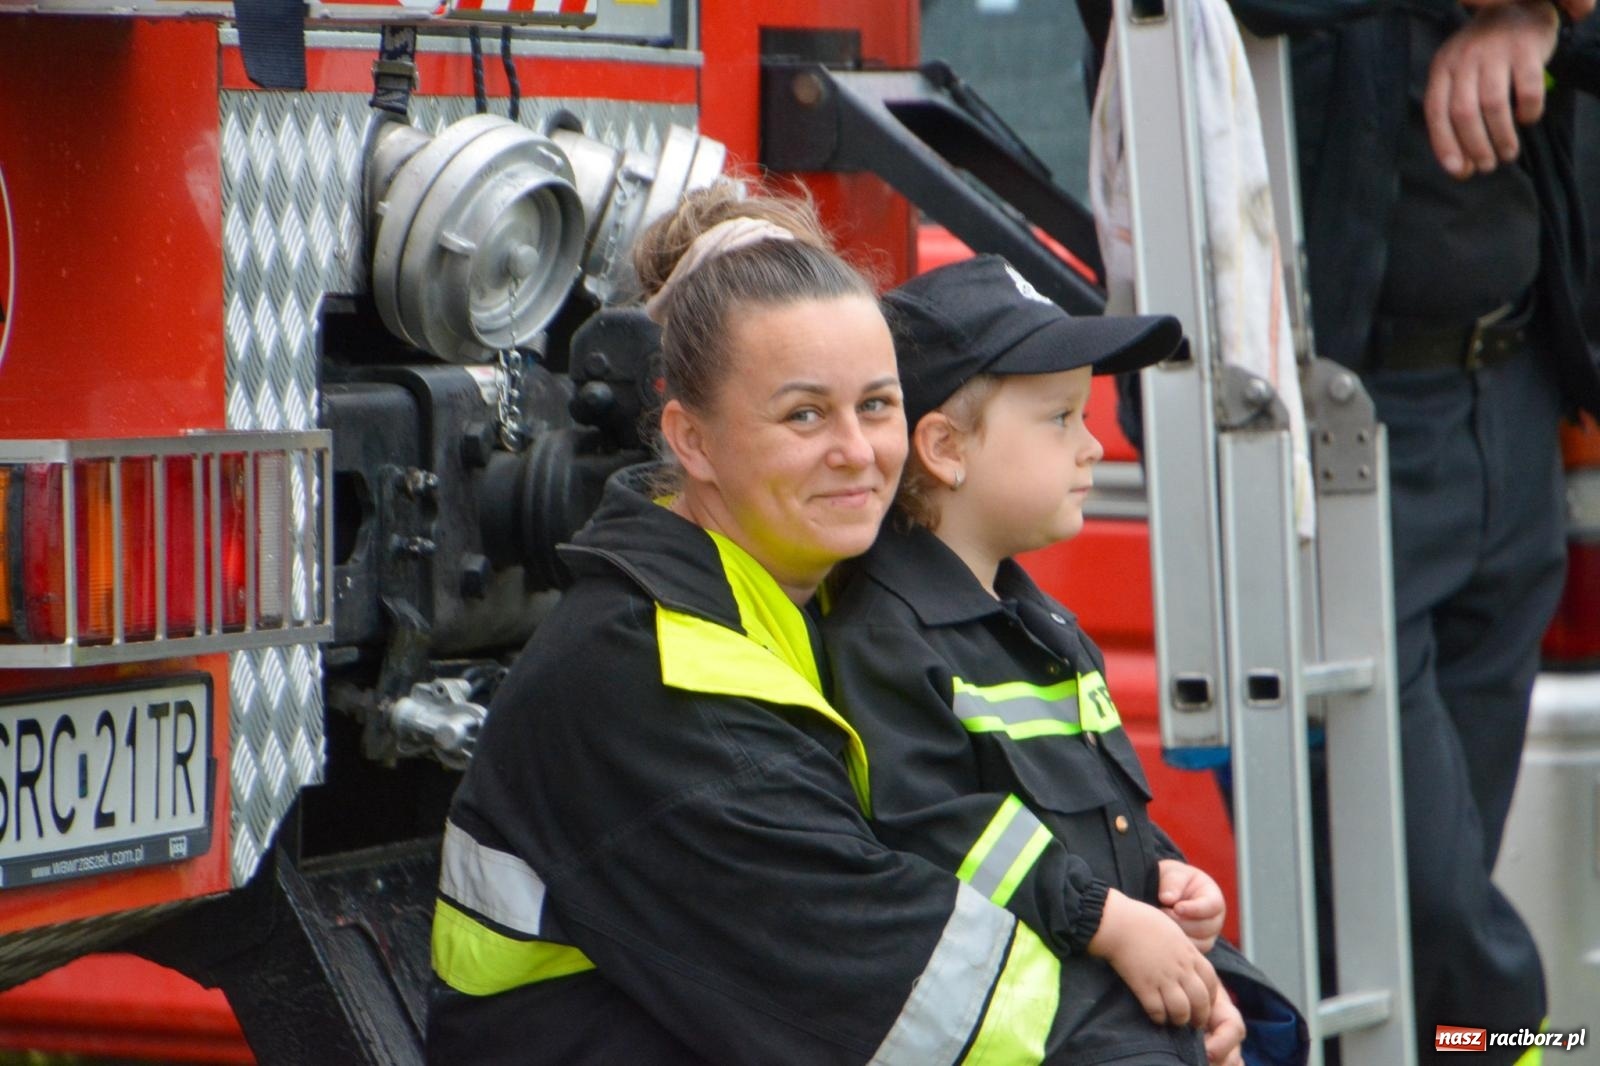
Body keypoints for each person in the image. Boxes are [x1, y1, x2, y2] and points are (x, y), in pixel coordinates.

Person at [428, 185, 1118, 1063]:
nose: (858, 452)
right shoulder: (651, 678)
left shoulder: (812, 602)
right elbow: (931, 1008)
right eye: (803, 415)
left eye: (876, 406)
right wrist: (1162, 1027)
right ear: (694, 441)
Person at [1082, 0, 1600, 1057]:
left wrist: (1542, 24)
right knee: (1419, 890)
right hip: (1326, 428)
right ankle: (1514, 1048)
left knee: (1416, 895)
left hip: (1512, 398)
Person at [823, 255, 1304, 1066]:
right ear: (943, 447)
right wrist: (1113, 923)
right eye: (1061, 418)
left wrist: (1173, 891)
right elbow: (944, 833)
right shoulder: (885, 637)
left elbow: (1106, 816)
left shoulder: (1047, 629)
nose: (1092, 448)